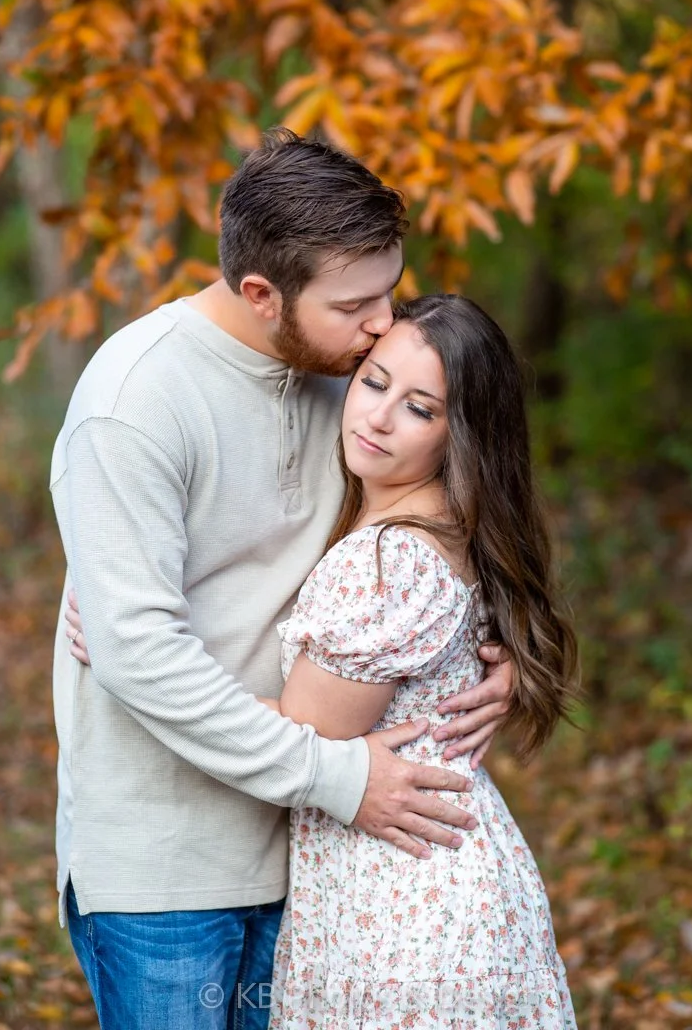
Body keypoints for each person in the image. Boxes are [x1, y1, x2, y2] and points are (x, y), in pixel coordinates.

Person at [52, 129, 512, 1030]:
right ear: (263, 295)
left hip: (324, 862)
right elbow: (139, 653)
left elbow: (465, 517)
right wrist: (339, 775)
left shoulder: (352, 385)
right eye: (357, 304)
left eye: (389, 291)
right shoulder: (133, 403)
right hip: (170, 871)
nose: (385, 323)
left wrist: (499, 655)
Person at [69, 294, 579, 1027]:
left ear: (459, 434)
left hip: (401, 909)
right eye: (372, 383)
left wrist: (136, 650)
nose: (375, 416)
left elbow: (306, 733)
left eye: (419, 409)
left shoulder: (382, 559)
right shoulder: (447, 525)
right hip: (452, 882)